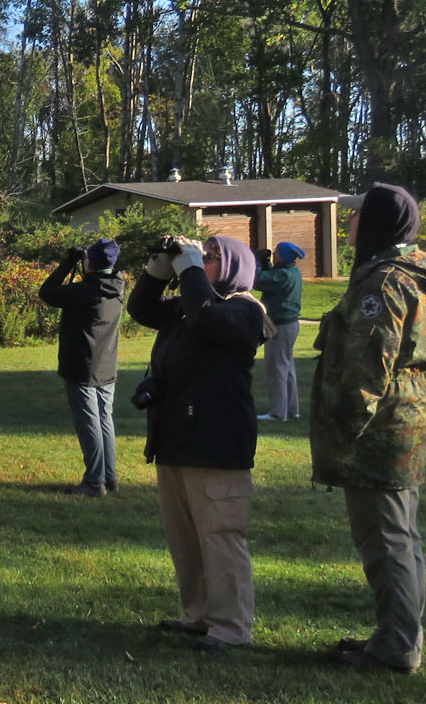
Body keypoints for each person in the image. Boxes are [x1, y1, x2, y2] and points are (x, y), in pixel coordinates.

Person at [311, 184, 426, 674]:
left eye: (355, 217)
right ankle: (396, 635)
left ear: (376, 223)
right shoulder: (410, 273)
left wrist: (346, 429)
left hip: (381, 426)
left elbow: (370, 364)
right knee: (402, 537)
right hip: (405, 417)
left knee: (386, 542)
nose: (347, 224)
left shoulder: (385, 282)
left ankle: (396, 648)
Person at [128, 234, 268, 652]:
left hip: (216, 445)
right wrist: (157, 268)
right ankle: (198, 614)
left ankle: (231, 627)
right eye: (198, 256)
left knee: (220, 536)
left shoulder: (246, 310)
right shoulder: (189, 307)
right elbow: (142, 309)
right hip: (175, 441)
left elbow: (209, 319)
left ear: (232, 267)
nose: (198, 262)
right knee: (185, 537)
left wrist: (188, 269)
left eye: (209, 258)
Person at [38, 238, 125, 497]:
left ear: (91, 262)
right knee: (104, 421)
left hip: (82, 365)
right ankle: (109, 477)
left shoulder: (87, 291)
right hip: (106, 364)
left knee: (89, 423)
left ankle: (94, 482)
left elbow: (48, 292)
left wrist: (67, 262)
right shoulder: (117, 284)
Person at [254, 241, 306, 421]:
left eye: (276, 253)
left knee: (276, 368)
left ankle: (277, 413)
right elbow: (271, 276)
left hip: (280, 326)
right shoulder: (292, 272)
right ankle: (292, 410)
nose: (274, 254)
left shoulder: (283, 275)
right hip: (288, 325)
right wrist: (267, 265)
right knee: (287, 367)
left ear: (284, 256)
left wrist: (258, 264)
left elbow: (258, 281)